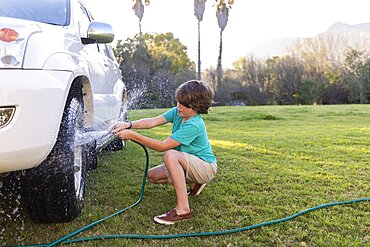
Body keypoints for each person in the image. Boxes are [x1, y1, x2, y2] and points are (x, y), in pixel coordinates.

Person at [112, 80, 217, 225]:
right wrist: (129, 124)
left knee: (170, 155)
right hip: (191, 163)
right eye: (178, 102)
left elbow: (163, 146)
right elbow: (153, 121)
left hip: (206, 166)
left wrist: (132, 135)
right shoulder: (178, 113)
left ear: (196, 107)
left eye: (183, 104)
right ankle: (195, 183)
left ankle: (183, 209)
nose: (178, 106)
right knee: (152, 176)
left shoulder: (194, 124)